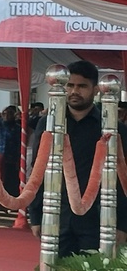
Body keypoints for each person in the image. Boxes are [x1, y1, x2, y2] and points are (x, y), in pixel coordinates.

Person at [28, 60, 127, 257]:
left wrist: (122, 225)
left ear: (96, 89)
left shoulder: (113, 129)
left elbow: (122, 180)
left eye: (82, 86)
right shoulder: (48, 124)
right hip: (57, 214)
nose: (75, 91)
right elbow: (38, 171)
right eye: (70, 85)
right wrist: (36, 216)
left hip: (99, 218)